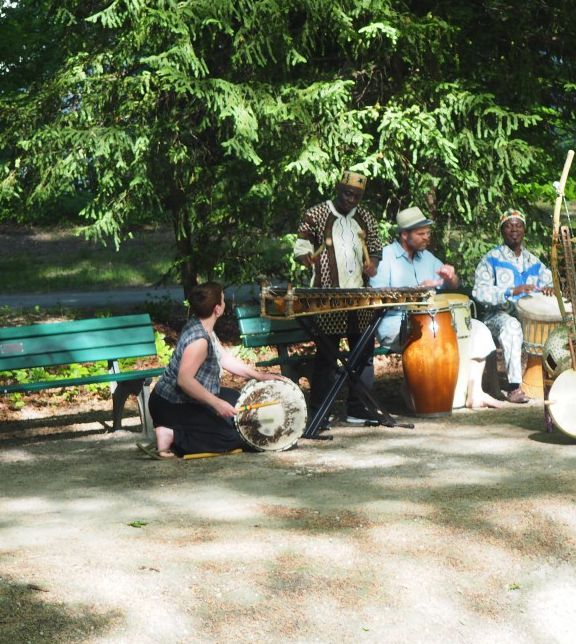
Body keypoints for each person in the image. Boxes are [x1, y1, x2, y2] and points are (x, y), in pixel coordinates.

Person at [370, 206, 506, 409]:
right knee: (430, 335)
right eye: (421, 233)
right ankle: (415, 390)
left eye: (428, 233)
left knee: (478, 329)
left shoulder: (428, 258)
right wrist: (415, 291)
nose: (427, 237)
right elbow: (377, 296)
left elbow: (453, 286)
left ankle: (475, 392)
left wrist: (451, 277)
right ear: (405, 235)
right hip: (395, 323)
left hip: (435, 321)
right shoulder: (385, 257)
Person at [139, 281, 274, 459]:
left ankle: (180, 432)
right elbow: (184, 381)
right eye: (224, 300)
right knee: (234, 435)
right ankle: (171, 434)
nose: (225, 304)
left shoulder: (202, 325)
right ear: (217, 309)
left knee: (237, 400)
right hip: (171, 405)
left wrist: (259, 376)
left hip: (185, 399)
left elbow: (223, 358)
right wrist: (216, 403)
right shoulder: (199, 341)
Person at [293, 169, 383, 425]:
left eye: (356, 196)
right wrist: (306, 258)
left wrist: (372, 264)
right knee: (327, 356)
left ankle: (358, 409)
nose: (351, 200)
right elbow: (301, 249)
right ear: (337, 189)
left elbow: (375, 250)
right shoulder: (316, 214)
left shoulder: (366, 217)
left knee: (363, 354)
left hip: (359, 298)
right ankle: (322, 412)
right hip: (326, 297)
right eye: (347, 194)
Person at [471, 208, 555, 404]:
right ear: (502, 230)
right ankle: (515, 387)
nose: (514, 230)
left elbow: (549, 283)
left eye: (518, 226)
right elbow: (479, 292)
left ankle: (551, 381)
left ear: (524, 230)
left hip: (527, 319)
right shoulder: (491, 258)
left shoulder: (533, 261)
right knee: (512, 326)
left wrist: (549, 289)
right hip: (496, 316)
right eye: (509, 226)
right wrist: (510, 292)